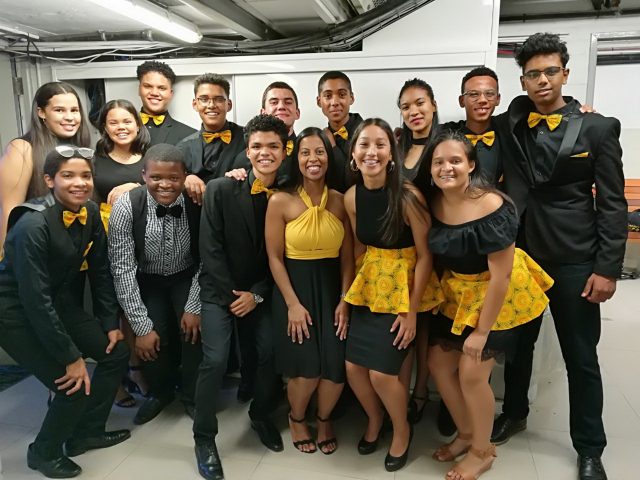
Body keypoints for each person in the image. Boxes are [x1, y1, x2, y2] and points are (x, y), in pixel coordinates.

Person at [497, 32, 627, 480]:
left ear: (566, 74)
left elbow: (613, 203)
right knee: (518, 347)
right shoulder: (511, 120)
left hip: (576, 258)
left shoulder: (597, 127)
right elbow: (470, 132)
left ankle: (590, 448)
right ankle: (514, 413)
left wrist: (608, 268)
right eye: (532, 74)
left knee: (581, 357)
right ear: (523, 81)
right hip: (522, 256)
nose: (542, 80)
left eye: (550, 71)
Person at [422, 130, 553, 480]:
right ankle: (467, 434)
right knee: (437, 361)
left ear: (471, 165)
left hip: (500, 294)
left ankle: (482, 452)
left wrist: (481, 332)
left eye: (454, 160)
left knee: (472, 372)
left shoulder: (493, 204)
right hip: (458, 293)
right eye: (438, 162)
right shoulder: (432, 201)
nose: (446, 167)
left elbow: (501, 278)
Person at [0, 146, 130, 478]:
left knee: (115, 352)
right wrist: (70, 356)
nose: (79, 183)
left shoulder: (89, 213)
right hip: (14, 312)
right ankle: (42, 453)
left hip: (55, 303)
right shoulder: (31, 225)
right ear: (49, 180)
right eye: (68, 176)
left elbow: (101, 272)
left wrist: (109, 323)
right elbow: (34, 299)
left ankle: (85, 433)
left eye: (85, 175)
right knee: (70, 384)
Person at [343, 118, 442, 472]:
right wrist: (347, 298)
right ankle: (375, 419)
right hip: (371, 286)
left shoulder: (408, 194)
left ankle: (402, 431)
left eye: (380, 145)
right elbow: (357, 248)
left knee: (382, 374)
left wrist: (412, 312)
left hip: (405, 288)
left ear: (392, 154)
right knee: (354, 368)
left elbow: (426, 255)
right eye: (364, 145)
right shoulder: (353, 197)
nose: (371, 152)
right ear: (353, 154)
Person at [193, 114, 287, 480]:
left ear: (284, 150)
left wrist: (257, 295)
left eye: (273, 146)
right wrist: (236, 295)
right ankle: (204, 437)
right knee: (215, 360)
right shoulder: (220, 188)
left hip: (261, 291)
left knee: (267, 352)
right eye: (258, 146)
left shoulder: (289, 191)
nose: (265, 153)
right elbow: (210, 249)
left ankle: (261, 415)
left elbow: (283, 257)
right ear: (247, 151)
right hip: (219, 290)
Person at [265, 127, 353, 454]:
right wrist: (292, 304)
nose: (312, 159)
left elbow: (347, 260)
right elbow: (274, 257)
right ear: (296, 157)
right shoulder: (280, 200)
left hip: (332, 290)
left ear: (329, 159)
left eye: (319, 152)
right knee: (306, 370)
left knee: (335, 368)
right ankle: (297, 417)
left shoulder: (343, 201)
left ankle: (325, 417)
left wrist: (344, 301)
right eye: (305, 152)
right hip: (294, 290)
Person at [108, 143, 203, 425]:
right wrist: (140, 325)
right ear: (143, 176)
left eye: (174, 178)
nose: (165, 185)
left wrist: (194, 306)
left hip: (187, 276)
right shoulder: (127, 206)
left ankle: (192, 395)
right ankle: (160, 393)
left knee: (194, 332)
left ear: (185, 176)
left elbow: (208, 259)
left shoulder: (196, 203)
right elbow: (122, 268)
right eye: (156, 178)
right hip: (146, 280)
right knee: (150, 340)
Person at [94, 99, 152, 408]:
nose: (121, 127)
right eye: (113, 122)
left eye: (127, 121)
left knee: (134, 308)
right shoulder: (95, 160)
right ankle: (114, 381)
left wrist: (134, 185)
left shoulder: (148, 159)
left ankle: (135, 368)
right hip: (104, 242)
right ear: (104, 126)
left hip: (142, 242)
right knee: (110, 312)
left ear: (137, 123)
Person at [0, 81, 91, 251]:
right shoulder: (22, 148)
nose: (70, 117)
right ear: (41, 112)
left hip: (73, 255)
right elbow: (9, 212)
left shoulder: (81, 150)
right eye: (59, 110)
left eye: (74, 110)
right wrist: (6, 263)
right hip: (35, 251)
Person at [395, 78, 439, 425]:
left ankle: (422, 391)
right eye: (407, 106)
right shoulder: (397, 144)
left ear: (433, 105)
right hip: (404, 247)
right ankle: (404, 392)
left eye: (420, 103)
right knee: (411, 325)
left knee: (428, 328)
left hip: (439, 244)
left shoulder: (447, 142)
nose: (414, 111)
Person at [178, 74, 246, 206]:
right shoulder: (183, 147)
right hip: (196, 220)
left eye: (219, 99)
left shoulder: (249, 138)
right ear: (195, 104)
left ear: (229, 104)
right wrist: (185, 178)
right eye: (204, 99)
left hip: (238, 216)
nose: (211, 105)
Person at [441, 67, 503, 186]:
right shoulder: (448, 136)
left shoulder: (507, 134)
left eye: (489, 94)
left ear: (498, 99)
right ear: (462, 100)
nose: (482, 100)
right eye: (474, 94)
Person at [316, 71, 363, 193]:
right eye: (328, 96)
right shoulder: (319, 138)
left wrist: (333, 147)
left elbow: (352, 179)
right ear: (319, 101)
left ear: (351, 98)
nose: (335, 102)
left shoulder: (366, 133)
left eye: (341, 95)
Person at [136, 60, 195, 146]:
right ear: (139, 90)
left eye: (161, 88)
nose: (154, 93)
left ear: (171, 93)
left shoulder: (190, 136)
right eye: (148, 86)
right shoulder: (121, 130)